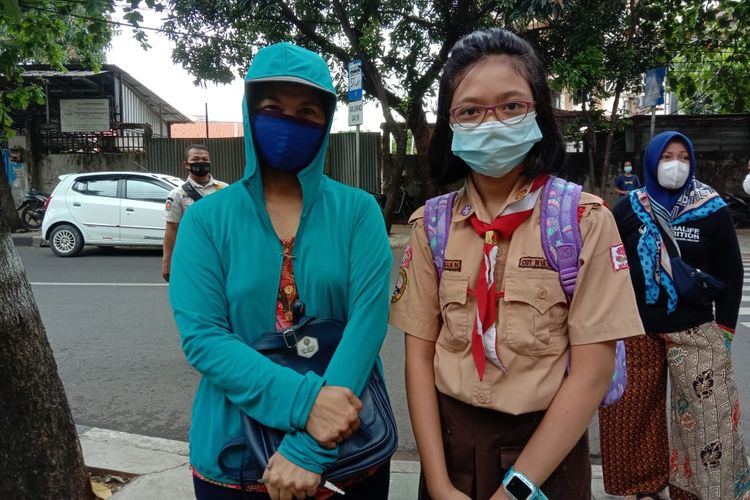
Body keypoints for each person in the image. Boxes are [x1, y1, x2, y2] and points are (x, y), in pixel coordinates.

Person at [389, 28, 644, 500]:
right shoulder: (431, 226)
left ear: (538, 114)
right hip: (450, 452)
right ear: (450, 124)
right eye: (470, 110)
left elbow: (592, 371)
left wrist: (517, 489)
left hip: (546, 461)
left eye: (511, 106)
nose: (491, 123)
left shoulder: (582, 222)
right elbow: (419, 359)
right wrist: (440, 483)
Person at [168, 43, 393, 500]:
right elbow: (205, 339)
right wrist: (306, 404)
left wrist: (311, 448)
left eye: (307, 111)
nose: (289, 123)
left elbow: (366, 326)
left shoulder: (358, 212)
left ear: (326, 120)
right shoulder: (206, 220)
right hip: (234, 457)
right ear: (251, 113)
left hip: (346, 458)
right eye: (272, 108)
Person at [598, 131, 748, 500]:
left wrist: (725, 328)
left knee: (708, 419)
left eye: (683, 156)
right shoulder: (630, 207)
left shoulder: (712, 208)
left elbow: (731, 271)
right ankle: (640, 486)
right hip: (636, 330)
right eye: (667, 156)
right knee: (629, 412)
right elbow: (609, 263)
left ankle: (701, 490)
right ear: (652, 161)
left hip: (695, 330)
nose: (675, 165)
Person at [161, 144, 227, 282]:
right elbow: (172, 229)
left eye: (205, 159)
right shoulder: (177, 194)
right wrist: (167, 262)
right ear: (186, 164)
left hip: (222, 255)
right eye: (196, 159)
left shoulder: (224, 189)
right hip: (192, 255)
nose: (201, 162)